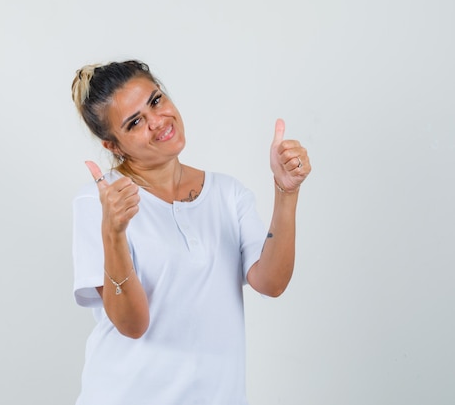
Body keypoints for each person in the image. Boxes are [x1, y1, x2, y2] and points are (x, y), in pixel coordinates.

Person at [70, 59, 311, 405]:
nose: (157, 122)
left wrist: (286, 191)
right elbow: (132, 324)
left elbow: (271, 283)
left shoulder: (228, 194)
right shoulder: (100, 201)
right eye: (135, 122)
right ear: (113, 146)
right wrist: (114, 233)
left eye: (155, 101)